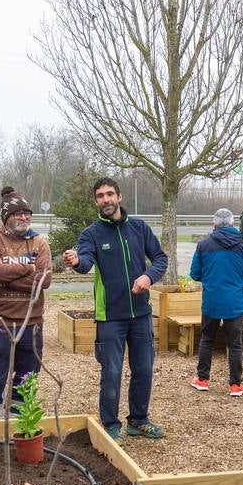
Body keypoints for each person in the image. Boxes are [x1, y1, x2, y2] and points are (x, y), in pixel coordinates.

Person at [63, 177, 169, 440]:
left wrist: (148, 277)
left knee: (143, 369)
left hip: (141, 313)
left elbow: (160, 258)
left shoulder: (139, 228)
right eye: (100, 196)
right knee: (111, 372)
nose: (106, 199)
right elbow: (86, 262)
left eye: (110, 194)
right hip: (110, 316)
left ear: (119, 197)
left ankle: (138, 420)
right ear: (96, 201)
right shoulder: (91, 234)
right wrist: (77, 260)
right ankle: (110, 424)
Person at [0, 187, 52, 420]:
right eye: (18, 214)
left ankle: (20, 424)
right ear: (6, 217)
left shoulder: (39, 243)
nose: (24, 218)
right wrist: (27, 268)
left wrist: (6, 275)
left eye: (27, 214)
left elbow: (44, 280)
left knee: (27, 378)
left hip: (32, 323)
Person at [189, 208, 243, 396]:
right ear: (232, 224)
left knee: (207, 340)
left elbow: (194, 273)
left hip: (211, 301)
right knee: (235, 344)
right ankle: (235, 384)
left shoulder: (203, 246)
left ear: (214, 224)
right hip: (235, 302)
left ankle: (203, 379)